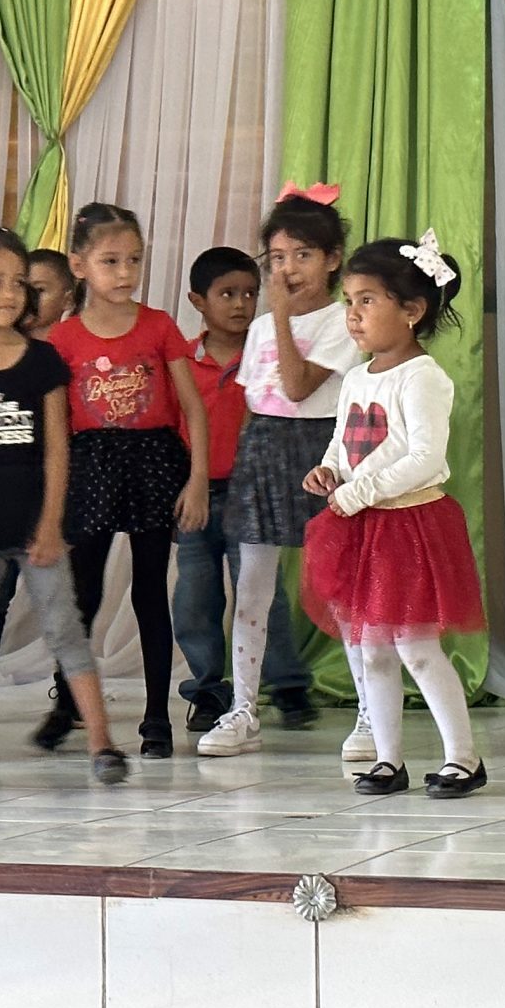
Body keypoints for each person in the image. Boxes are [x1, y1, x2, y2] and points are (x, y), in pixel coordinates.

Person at [0, 224, 129, 789]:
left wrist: (51, 523)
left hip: (37, 520)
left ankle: (102, 742)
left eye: (18, 282)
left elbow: (58, 450)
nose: (10, 293)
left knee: (65, 628)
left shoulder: (42, 362)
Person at [304, 234, 488, 797]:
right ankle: (389, 760)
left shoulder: (423, 376)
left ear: (411, 311)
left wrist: (359, 493)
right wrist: (328, 471)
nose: (352, 314)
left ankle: (464, 758)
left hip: (408, 527)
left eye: (367, 300)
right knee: (370, 649)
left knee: (416, 647)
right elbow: (344, 440)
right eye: (349, 301)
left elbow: (425, 457)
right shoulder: (357, 378)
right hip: (364, 528)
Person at [36, 205, 210, 758]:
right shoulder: (63, 338)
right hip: (90, 464)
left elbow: (193, 407)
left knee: (150, 591)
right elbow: (55, 425)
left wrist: (198, 479)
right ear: (79, 266)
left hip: (153, 460)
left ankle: (156, 717)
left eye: (134, 260)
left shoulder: (158, 326)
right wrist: (52, 496)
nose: (125, 272)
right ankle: (68, 701)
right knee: (82, 591)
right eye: (110, 261)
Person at [200, 186, 366, 761]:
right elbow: (256, 401)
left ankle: (371, 715)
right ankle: (243, 708)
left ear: (332, 259)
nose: (288, 268)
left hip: (321, 452)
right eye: (277, 257)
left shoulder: (342, 321)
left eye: (302, 255)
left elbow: (296, 387)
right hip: (264, 450)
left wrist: (279, 318)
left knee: (343, 588)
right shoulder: (264, 327)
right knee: (251, 589)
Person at [176, 247, 316, 735]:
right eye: (227, 294)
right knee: (195, 597)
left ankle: (288, 685)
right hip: (197, 494)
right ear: (197, 300)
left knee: (261, 594)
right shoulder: (181, 361)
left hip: (253, 492)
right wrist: (186, 487)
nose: (240, 304)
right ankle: (208, 690)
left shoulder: (267, 352)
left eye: (250, 293)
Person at [0, 249, 78, 723]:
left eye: (39, 289)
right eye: (16, 286)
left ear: (68, 298)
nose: (24, 298)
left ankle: (70, 690)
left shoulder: (70, 348)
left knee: (67, 593)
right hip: (5, 488)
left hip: (63, 484)